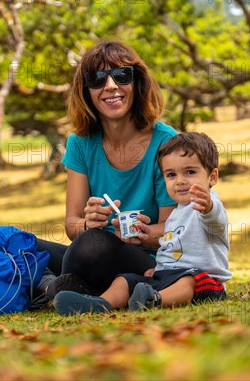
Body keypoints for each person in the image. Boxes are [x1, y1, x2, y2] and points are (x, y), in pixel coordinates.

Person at [35, 41, 178, 300]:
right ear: (86, 90)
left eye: (122, 75)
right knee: (20, 245)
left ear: (137, 83)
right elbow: (72, 223)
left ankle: (52, 287)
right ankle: (62, 287)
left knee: (92, 244)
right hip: (87, 255)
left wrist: (141, 234)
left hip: (147, 262)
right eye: (98, 79)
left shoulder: (166, 143)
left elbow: (174, 230)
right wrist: (88, 222)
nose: (111, 86)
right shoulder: (80, 142)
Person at [52, 132, 231, 314]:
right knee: (125, 280)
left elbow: (216, 220)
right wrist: (159, 269)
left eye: (190, 172)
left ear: (212, 177)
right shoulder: (177, 213)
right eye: (171, 175)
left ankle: (155, 300)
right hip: (168, 275)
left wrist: (208, 206)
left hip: (206, 281)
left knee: (189, 280)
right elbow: (169, 247)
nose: (180, 181)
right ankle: (99, 303)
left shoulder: (208, 206)